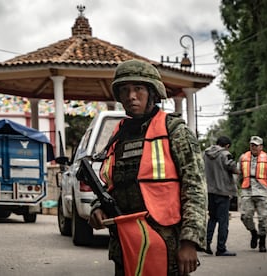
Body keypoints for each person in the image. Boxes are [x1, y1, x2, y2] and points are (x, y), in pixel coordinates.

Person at [88, 59, 207, 276]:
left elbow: (195, 187)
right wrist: (98, 207)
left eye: (138, 89)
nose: (131, 96)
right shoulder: (118, 135)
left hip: (164, 240)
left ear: (152, 92)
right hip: (125, 242)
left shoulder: (175, 130)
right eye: (124, 90)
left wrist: (190, 242)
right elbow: (111, 183)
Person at [238, 136, 267, 253]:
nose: (253, 147)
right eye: (252, 145)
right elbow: (236, 173)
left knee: (263, 218)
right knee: (245, 216)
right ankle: (253, 233)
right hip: (247, 190)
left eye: (256, 145)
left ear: (261, 147)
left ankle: (262, 242)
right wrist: (231, 189)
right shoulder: (243, 157)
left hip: (262, 191)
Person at [203, 136, 238, 256]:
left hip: (209, 191)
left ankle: (206, 244)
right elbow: (233, 168)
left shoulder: (206, 154)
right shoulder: (225, 154)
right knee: (223, 221)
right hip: (222, 192)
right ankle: (221, 248)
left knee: (212, 218)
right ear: (227, 145)